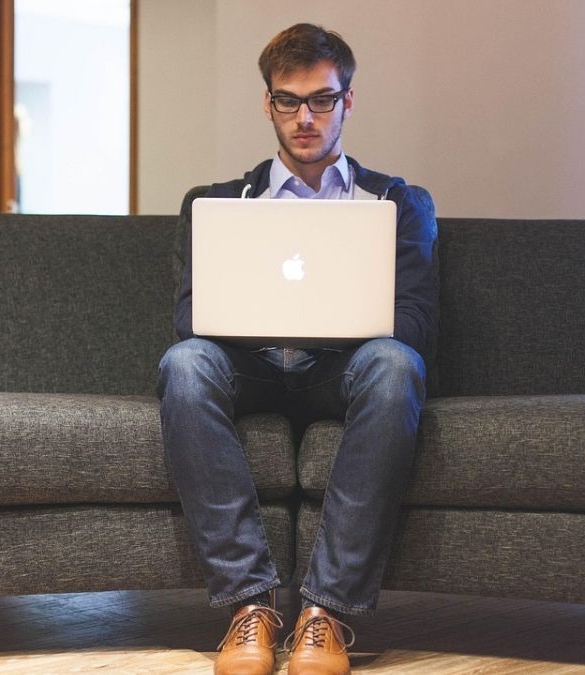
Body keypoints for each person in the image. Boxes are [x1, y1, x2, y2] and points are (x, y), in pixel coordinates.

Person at [157, 23, 437, 675]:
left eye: (323, 99)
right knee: (185, 365)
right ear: (268, 103)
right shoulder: (217, 203)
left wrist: (332, 324)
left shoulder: (399, 203)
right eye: (289, 100)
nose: (305, 117)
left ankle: (325, 613)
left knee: (398, 365)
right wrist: (272, 317)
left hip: (346, 371)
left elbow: (418, 322)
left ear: (349, 100)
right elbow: (191, 316)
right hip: (251, 366)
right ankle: (249, 607)